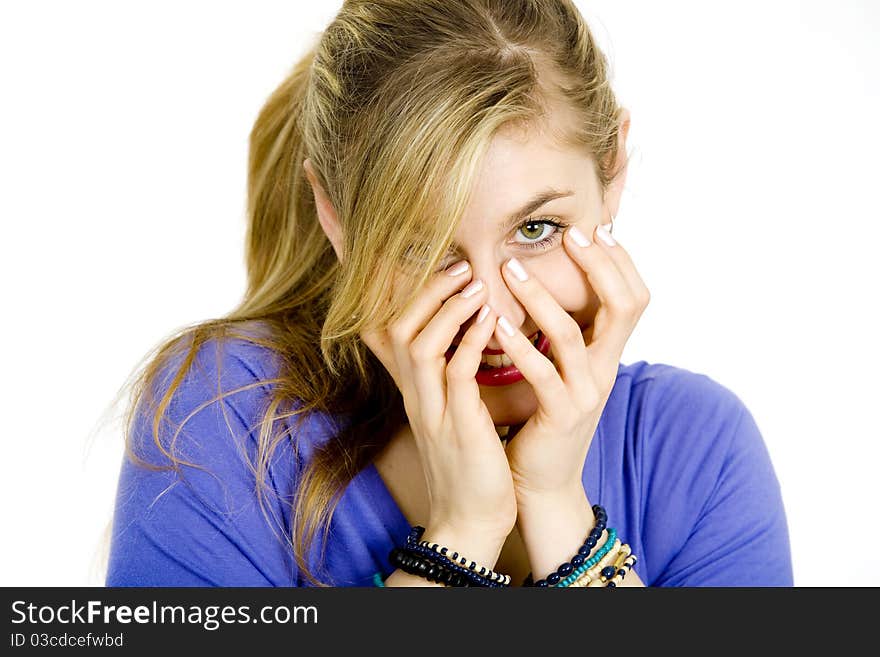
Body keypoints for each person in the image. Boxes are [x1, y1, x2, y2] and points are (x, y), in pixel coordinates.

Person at [105, 0, 792, 587]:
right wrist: (462, 531)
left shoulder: (699, 451)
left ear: (611, 170)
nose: (495, 314)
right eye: (421, 244)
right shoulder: (225, 416)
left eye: (536, 228)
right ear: (334, 218)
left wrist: (557, 507)